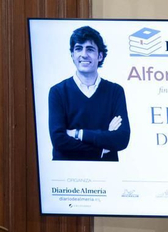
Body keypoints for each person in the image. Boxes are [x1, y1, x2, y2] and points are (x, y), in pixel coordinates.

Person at [48, 26, 130, 161]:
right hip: (67, 174)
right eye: (78, 49)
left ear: (100, 56)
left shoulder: (115, 91)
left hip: (106, 172)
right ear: (72, 55)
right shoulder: (57, 92)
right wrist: (102, 146)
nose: (84, 54)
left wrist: (77, 133)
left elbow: (122, 139)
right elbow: (59, 141)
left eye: (90, 49)